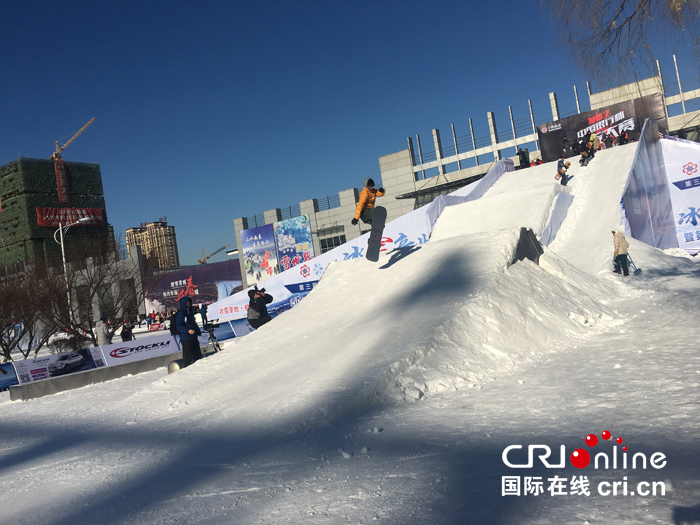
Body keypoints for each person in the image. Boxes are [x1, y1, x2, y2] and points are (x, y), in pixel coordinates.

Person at [176, 296, 203, 367]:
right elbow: (178, 326)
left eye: (189, 302)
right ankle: (187, 369)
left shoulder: (190, 312)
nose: (189, 304)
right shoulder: (181, 313)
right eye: (187, 302)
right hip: (186, 338)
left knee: (197, 354)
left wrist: (198, 331)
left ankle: (199, 367)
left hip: (193, 336)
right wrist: (187, 330)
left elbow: (193, 323)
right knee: (187, 356)